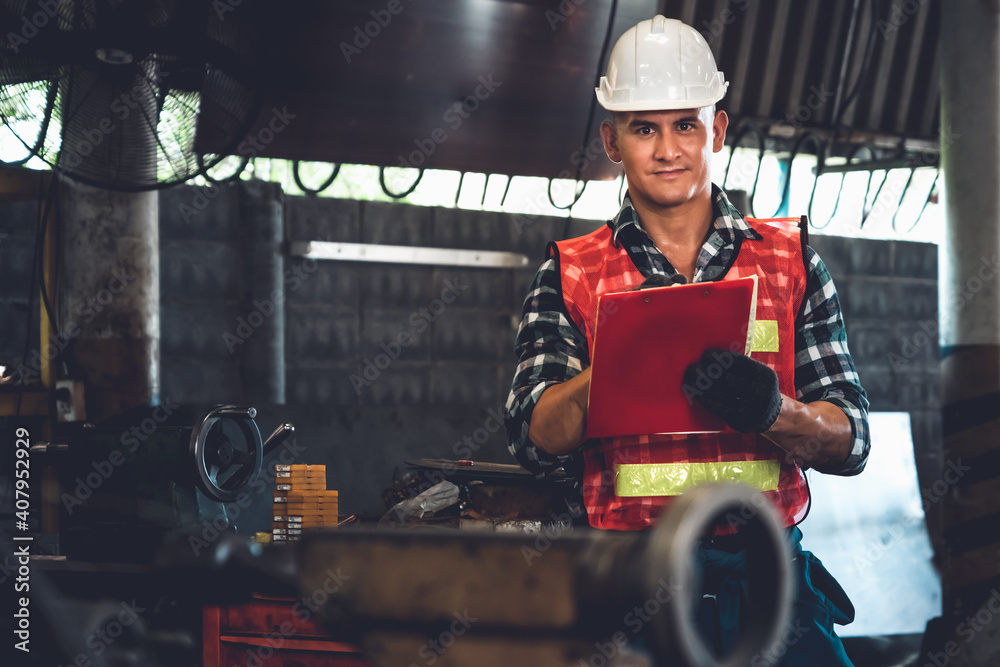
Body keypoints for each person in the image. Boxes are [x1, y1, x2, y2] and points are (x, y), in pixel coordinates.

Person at [505, 15, 870, 666]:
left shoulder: (791, 262)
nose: (668, 148)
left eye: (686, 124)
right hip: (630, 593)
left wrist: (774, 412)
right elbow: (533, 435)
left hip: (769, 586)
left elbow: (852, 440)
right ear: (612, 140)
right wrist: (616, 365)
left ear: (718, 131)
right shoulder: (571, 272)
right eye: (644, 127)